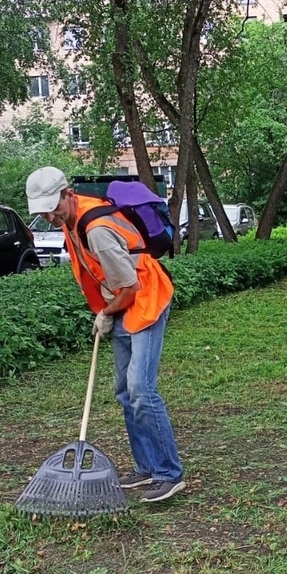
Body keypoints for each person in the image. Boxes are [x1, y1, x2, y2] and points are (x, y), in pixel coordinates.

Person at [25, 166, 185, 502]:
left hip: (145, 300)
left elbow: (130, 285)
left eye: (54, 207)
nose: (50, 215)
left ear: (68, 194)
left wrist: (106, 313)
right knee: (124, 392)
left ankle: (169, 473)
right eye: (44, 211)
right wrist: (106, 309)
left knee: (141, 388)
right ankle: (146, 467)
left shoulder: (96, 228)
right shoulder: (71, 220)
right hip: (121, 303)